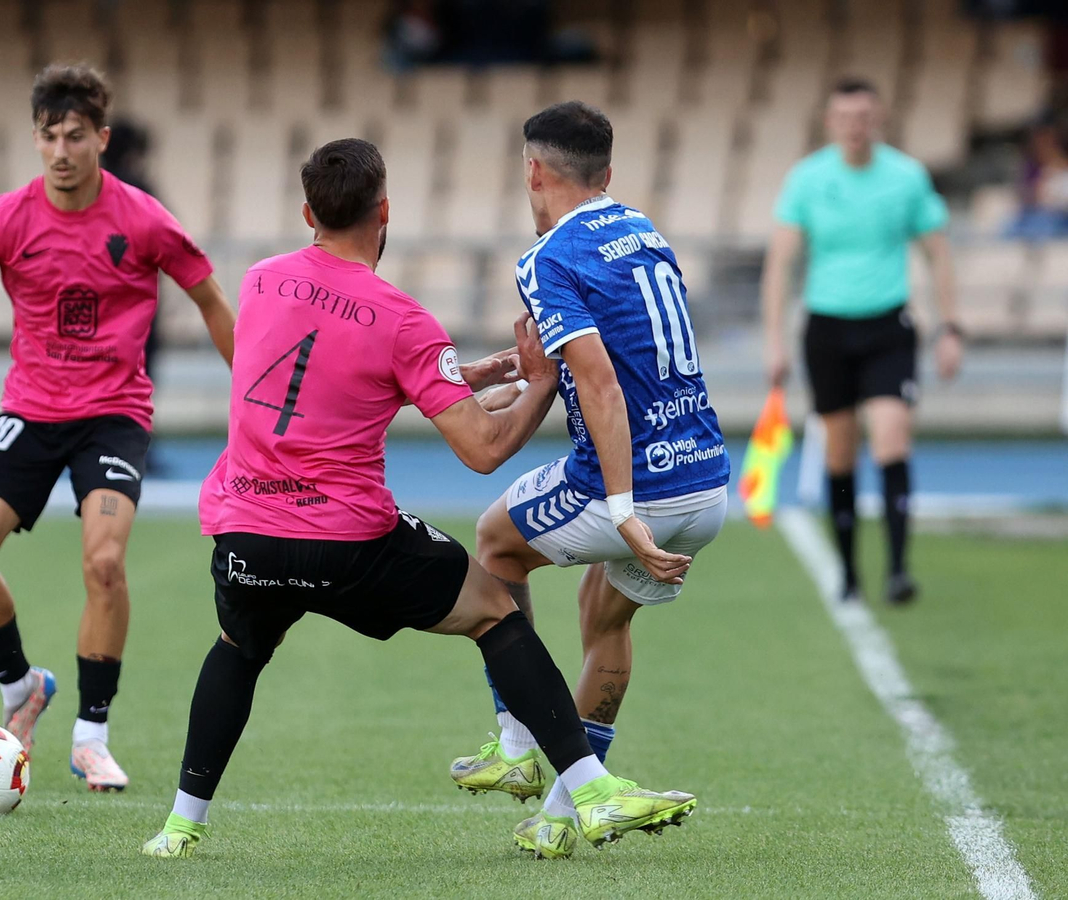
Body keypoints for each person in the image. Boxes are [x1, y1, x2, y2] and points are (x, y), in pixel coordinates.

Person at [139, 138, 697, 860]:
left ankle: (179, 826)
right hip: (350, 545)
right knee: (495, 610)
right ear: (385, 212)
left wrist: (458, 374)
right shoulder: (402, 320)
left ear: (307, 211)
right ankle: (591, 789)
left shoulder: (261, 281)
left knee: (239, 648)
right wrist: (540, 384)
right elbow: (484, 452)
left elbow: (325, 380)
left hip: (245, 533)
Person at [0, 65, 237, 792]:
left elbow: (213, 302)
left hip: (113, 416)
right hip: (31, 412)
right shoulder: (8, 218)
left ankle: (91, 736)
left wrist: (253, 406)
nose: (61, 150)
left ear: (101, 137)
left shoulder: (146, 220)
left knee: (103, 563)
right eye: (47, 136)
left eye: (74, 136)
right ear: (35, 140)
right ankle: (19, 689)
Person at [442, 101, 730, 859]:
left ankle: (513, 745)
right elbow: (629, 353)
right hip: (704, 481)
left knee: (496, 545)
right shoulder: (644, 230)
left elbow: (601, 386)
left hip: (632, 483)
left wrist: (625, 506)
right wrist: (527, 374)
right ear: (608, 173)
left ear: (533, 172)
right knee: (605, 620)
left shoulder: (547, 257)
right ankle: (566, 812)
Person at [760, 77, 960, 606]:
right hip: (827, 329)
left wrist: (950, 328)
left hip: (889, 327)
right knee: (840, 454)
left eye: (864, 117)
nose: (855, 127)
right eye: (844, 118)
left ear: (880, 119)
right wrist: (774, 341)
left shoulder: (906, 176)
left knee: (893, 439)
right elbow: (780, 265)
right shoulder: (808, 179)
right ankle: (848, 571)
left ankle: (898, 570)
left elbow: (939, 253)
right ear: (830, 123)